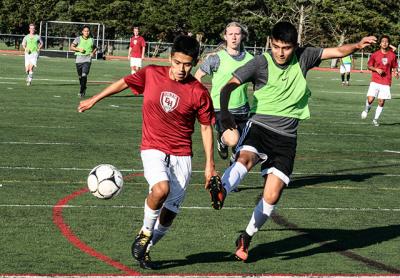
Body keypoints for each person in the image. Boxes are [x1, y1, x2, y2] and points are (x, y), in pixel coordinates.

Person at [208, 21, 376, 261]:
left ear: (294, 46)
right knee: (245, 158)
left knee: (273, 194)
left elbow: (336, 51)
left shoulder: (304, 57)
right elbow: (229, 86)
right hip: (260, 126)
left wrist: (358, 45)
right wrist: (224, 114)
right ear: (270, 42)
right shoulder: (261, 62)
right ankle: (221, 190)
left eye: (285, 48)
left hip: (286, 137)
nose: (280, 52)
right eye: (276, 46)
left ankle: (245, 237)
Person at [78, 35, 217, 269]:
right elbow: (124, 82)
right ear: (170, 58)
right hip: (153, 147)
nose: (181, 69)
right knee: (160, 189)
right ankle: (144, 231)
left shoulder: (198, 91)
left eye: (187, 64)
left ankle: (146, 248)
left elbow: (205, 127)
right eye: (177, 62)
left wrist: (209, 165)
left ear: (194, 62)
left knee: (170, 212)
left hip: (182, 154)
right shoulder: (152, 73)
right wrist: (96, 98)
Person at [195, 22, 253, 161]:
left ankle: (233, 166)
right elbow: (197, 76)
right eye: (230, 34)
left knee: (245, 147)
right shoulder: (216, 58)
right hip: (220, 108)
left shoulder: (251, 60)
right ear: (225, 36)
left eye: (237, 34)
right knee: (233, 140)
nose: (234, 37)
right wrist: (203, 99)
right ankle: (222, 141)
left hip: (243, 109)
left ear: (242, 36)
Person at [361, 35, 399, 126]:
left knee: (381, 101)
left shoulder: (392, 55)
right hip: (375, 80)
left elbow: (395, 66)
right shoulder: (375, 54)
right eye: (383, 41)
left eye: (386, 41)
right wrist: (376, 69)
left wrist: (396, 72)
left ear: (388, 44)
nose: (384, 43)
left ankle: (375, 119)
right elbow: (369, 66)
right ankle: (367, 109)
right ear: (380, 44)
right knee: (370, 99)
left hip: (386, 81)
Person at [70, 25, 97, 98]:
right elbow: (71, 47)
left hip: (87, 59)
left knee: (84, 75)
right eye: (85, 31)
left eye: (88, 31)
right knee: (80, 76)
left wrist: (93, 53)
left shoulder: (91, 39)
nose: (86, 32)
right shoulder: (78, 39)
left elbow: (95, 47)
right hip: (79, 60)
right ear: (82, 32)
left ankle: (81, 91)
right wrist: (79, 49)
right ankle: (84, 87)